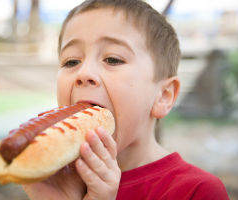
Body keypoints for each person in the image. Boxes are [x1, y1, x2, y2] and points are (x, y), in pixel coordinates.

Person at [23, 0, 229, 199]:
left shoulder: (198, 191)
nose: (84, 73)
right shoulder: (57, 181)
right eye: (71, 61)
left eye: (112, 59)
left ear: (163, 96)